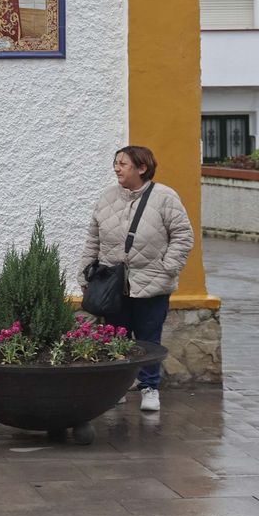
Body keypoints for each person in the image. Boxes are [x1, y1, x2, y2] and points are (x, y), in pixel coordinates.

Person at [77, 145, 194, 413]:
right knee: (115, 335)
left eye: (123, 164)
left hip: (152, 281)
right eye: (116, 163)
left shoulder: (165, 197)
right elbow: (93, 239)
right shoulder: (107, 197)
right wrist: (84, 273)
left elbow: (183, 235)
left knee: (148, 338)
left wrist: (168, 267)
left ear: (142, 168)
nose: (116, 168)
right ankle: (117, 388)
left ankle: (149, 387)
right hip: (112, 284)